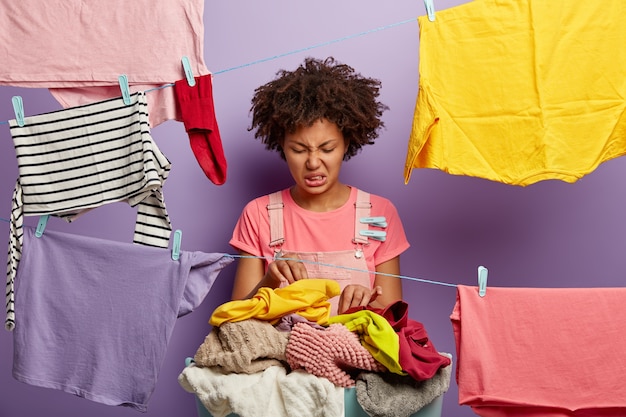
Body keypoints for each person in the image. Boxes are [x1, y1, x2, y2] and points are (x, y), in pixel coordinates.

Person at [229, 56, 410, 315]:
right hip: (278, 352)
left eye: (327, 148)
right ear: (282, 145)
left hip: (353, 352)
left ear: (347, 143)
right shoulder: (259, 214)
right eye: (299, 149)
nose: (313, 162)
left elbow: (394, 321)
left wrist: (367, 304)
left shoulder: (379, 213)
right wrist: (270, 279)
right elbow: (235, 318)